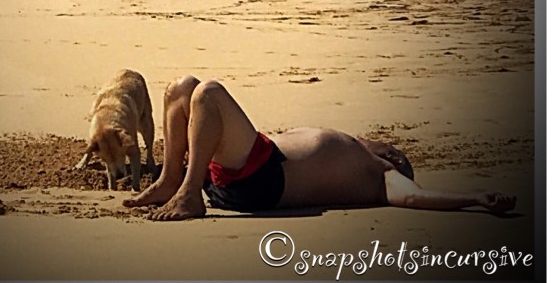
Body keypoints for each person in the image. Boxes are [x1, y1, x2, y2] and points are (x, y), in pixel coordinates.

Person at [123, 75, 516, 221]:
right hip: (248, 166)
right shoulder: (351, 144)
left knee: (208, 92)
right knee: (181, 89)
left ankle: (189, 193)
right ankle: (172, 180)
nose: (391, 148)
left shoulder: (379, 174)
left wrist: (475, 198)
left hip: (265, 180)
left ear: (392, 161)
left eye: (395, 153)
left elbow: (415, 198)